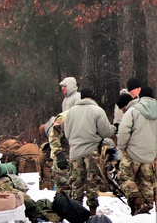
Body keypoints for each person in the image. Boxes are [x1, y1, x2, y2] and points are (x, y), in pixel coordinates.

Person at [63, 88, 115, 216]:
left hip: (75, 152)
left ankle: (76, 209)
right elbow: (105, 132)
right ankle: (92, 211)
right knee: (92, 182)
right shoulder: (97, 110)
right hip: (91, 151)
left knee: (76, 182)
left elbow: (67, 133)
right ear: (93, 98)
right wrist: (114, 128)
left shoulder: (70, 112)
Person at [116, 85, 156, 215]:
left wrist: (122, 147)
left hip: (133, 153)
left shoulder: (134, 110)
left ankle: (138, 201)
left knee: (124, 177)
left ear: (141, 97)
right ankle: (146, 206)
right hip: (151, 155)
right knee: (146, 182)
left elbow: (123, 131)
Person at [48, 111, 71, 197]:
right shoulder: (64, 117)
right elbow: (54, 137)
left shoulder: (88, 115)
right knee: (63, 187)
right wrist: (59, 154)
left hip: (78, 155)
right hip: (63, 155)